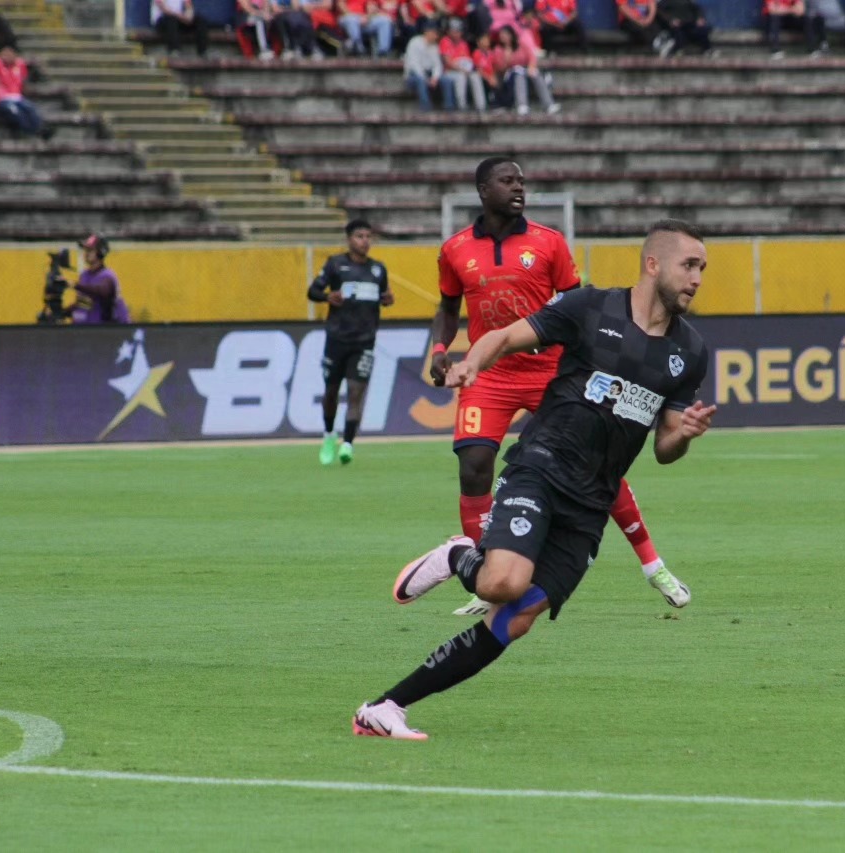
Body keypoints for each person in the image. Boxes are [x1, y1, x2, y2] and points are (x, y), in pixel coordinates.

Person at [352, 219, 716, 740]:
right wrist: (470, 364)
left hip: (591, 505)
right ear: (652, 264)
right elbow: (503, 336)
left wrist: (686, 434)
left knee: (514, 619)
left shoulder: (690, 351)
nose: (697, 278)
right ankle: (460, 555)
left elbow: (664, 449)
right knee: (503, 582)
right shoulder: (591, 307)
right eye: (689, 265)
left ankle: (386, 707)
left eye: (702, 268)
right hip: (541, 468)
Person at [425, 157, 693, 618]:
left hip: (550, 368)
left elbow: (576, 304)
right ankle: (485, 567)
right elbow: (448, 306)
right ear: (482, 189)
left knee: (593, 460)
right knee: (473, 465)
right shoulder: (455, 249)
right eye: (508, 181)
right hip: (491, 372)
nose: (519, 188)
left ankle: (654, 565)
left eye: (522, 181)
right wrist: (439, 350)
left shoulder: (548, 243)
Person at [307, 219, 393, 466]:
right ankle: (328, 436)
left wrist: (387, 299)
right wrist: (327, 297)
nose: (364, 241)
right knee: (331, 392)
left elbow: (384, 295)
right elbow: (312, 291)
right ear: (349, 239)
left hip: (364, 341)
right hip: (337, 339)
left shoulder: (378, 269)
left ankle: (348, 444)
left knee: (356, 393)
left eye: (368, 236)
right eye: (359, 236)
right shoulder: (336, 265)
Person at [0, 44, 53, 141]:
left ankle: (41, 130)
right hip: (1, 99)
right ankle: (28, 132)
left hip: (17, 97)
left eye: (10, 53)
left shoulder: (20, 64)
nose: (7, 56)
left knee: (30, 108)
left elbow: (24, 83)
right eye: (5, 53)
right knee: (15, 112)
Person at [492, 24, 558, 115]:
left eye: (505, 35)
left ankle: (549, 104)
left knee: (535, 73)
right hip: (510, 77)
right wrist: (507, 58)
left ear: (511, 35)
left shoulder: (521, 44)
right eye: (501, 36)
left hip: (525, 72)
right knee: (519, 74)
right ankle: (522, 105)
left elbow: (531, 57)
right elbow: (500, 68)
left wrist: (531, 67)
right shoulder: (498, 50)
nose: (503, 37)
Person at [68, 234, 129, 325]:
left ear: (100, 252)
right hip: (87, 329)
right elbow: (83, 302)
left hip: (107, 329)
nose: (86, 253)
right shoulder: (84, 275)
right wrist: (64, 312)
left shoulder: (108, 276)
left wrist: (74, 285)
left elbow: (100, 291)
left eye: (90, 250)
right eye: (86, 250)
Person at [402, 21, 454, 110]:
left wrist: (434, 78)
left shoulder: (435, 47)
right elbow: (414, 65)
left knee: (447, 80)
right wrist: (426, 79)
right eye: (434, 33)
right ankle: (425, 107)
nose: (436, 36)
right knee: (420, 80)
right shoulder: (415, 42)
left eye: (436, 34)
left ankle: (449, 107)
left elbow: (437, 65)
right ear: (427, 32)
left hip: (430, 74)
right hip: (414, 75)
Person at [440, 17, 484, 110]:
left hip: (464, 69)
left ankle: (481, 106)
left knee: (475, 76)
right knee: (461, 77)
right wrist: (462, 69)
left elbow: (467, 60)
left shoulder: (463, 43)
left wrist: (468, 69)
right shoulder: (445, 41)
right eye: (454, 31)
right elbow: (448, 62)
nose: (456, 33)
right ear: (448, 31)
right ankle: (462, 106)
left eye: (458, 31)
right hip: (449, 71)